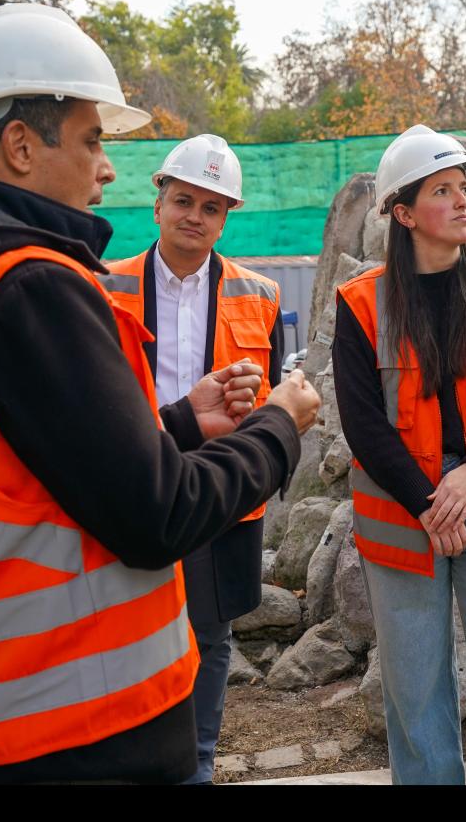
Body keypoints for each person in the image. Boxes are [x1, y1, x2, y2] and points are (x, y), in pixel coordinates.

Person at [0, 2, 320, 784]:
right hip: (80, 720)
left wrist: (177, 422)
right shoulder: (27, 288)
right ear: (21, 146)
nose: (107, 168)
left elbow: (15, 471)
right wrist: (278, 425)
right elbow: (158, 515)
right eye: (93, 140)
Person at [333, 125, 466, 785]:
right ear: (403, 214)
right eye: (443, 191)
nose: (463, 202)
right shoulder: (361, 305)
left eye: (464, 189)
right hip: (404, 516)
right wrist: (432, 504)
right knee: (416, 694)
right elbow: (364, 425)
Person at [103, 134, 284, 785]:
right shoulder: (104, 285)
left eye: (211, 207)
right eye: (184, 201)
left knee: (209, 636)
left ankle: (197, 763)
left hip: (217, 493)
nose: (195, 217)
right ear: (158, 203)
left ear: (226, 218)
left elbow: (268, 400)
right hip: (132, 483)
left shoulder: (260, 295)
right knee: (124, 632)